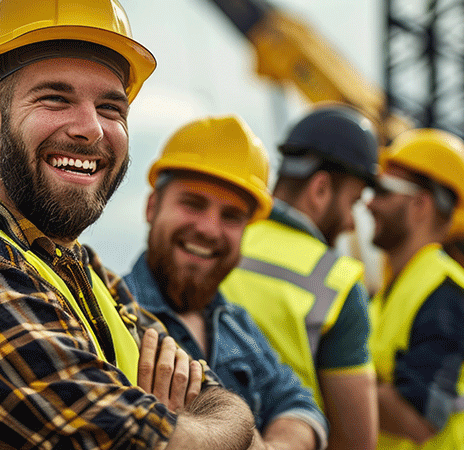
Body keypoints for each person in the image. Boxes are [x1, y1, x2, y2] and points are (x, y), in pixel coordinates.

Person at [0, 1, 259, 449]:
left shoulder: (90, 274)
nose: (92, 129)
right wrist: (207, 423)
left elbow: (216, 402)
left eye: (110, 107)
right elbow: (144, 442)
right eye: (55, 98)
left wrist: (213, 419)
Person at [125, 115, 328, 450]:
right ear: (151, 207)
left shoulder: (236, 325)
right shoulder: (107, 311)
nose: (208, 229)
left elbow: (299, 404)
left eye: (231, 216)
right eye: (192, 203)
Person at [220, 104, 379, 449]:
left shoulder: (213, 244)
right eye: (352, 202)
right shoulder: (335, 281)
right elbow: (357, 440)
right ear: (320, 189)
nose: (352, 223)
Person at [365, 128, 464, 449]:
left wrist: (332, 381)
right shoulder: (395, 292)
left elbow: (418, 418)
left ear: (419, 204)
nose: (369, 203)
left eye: (383, 190)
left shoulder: (445, 293)